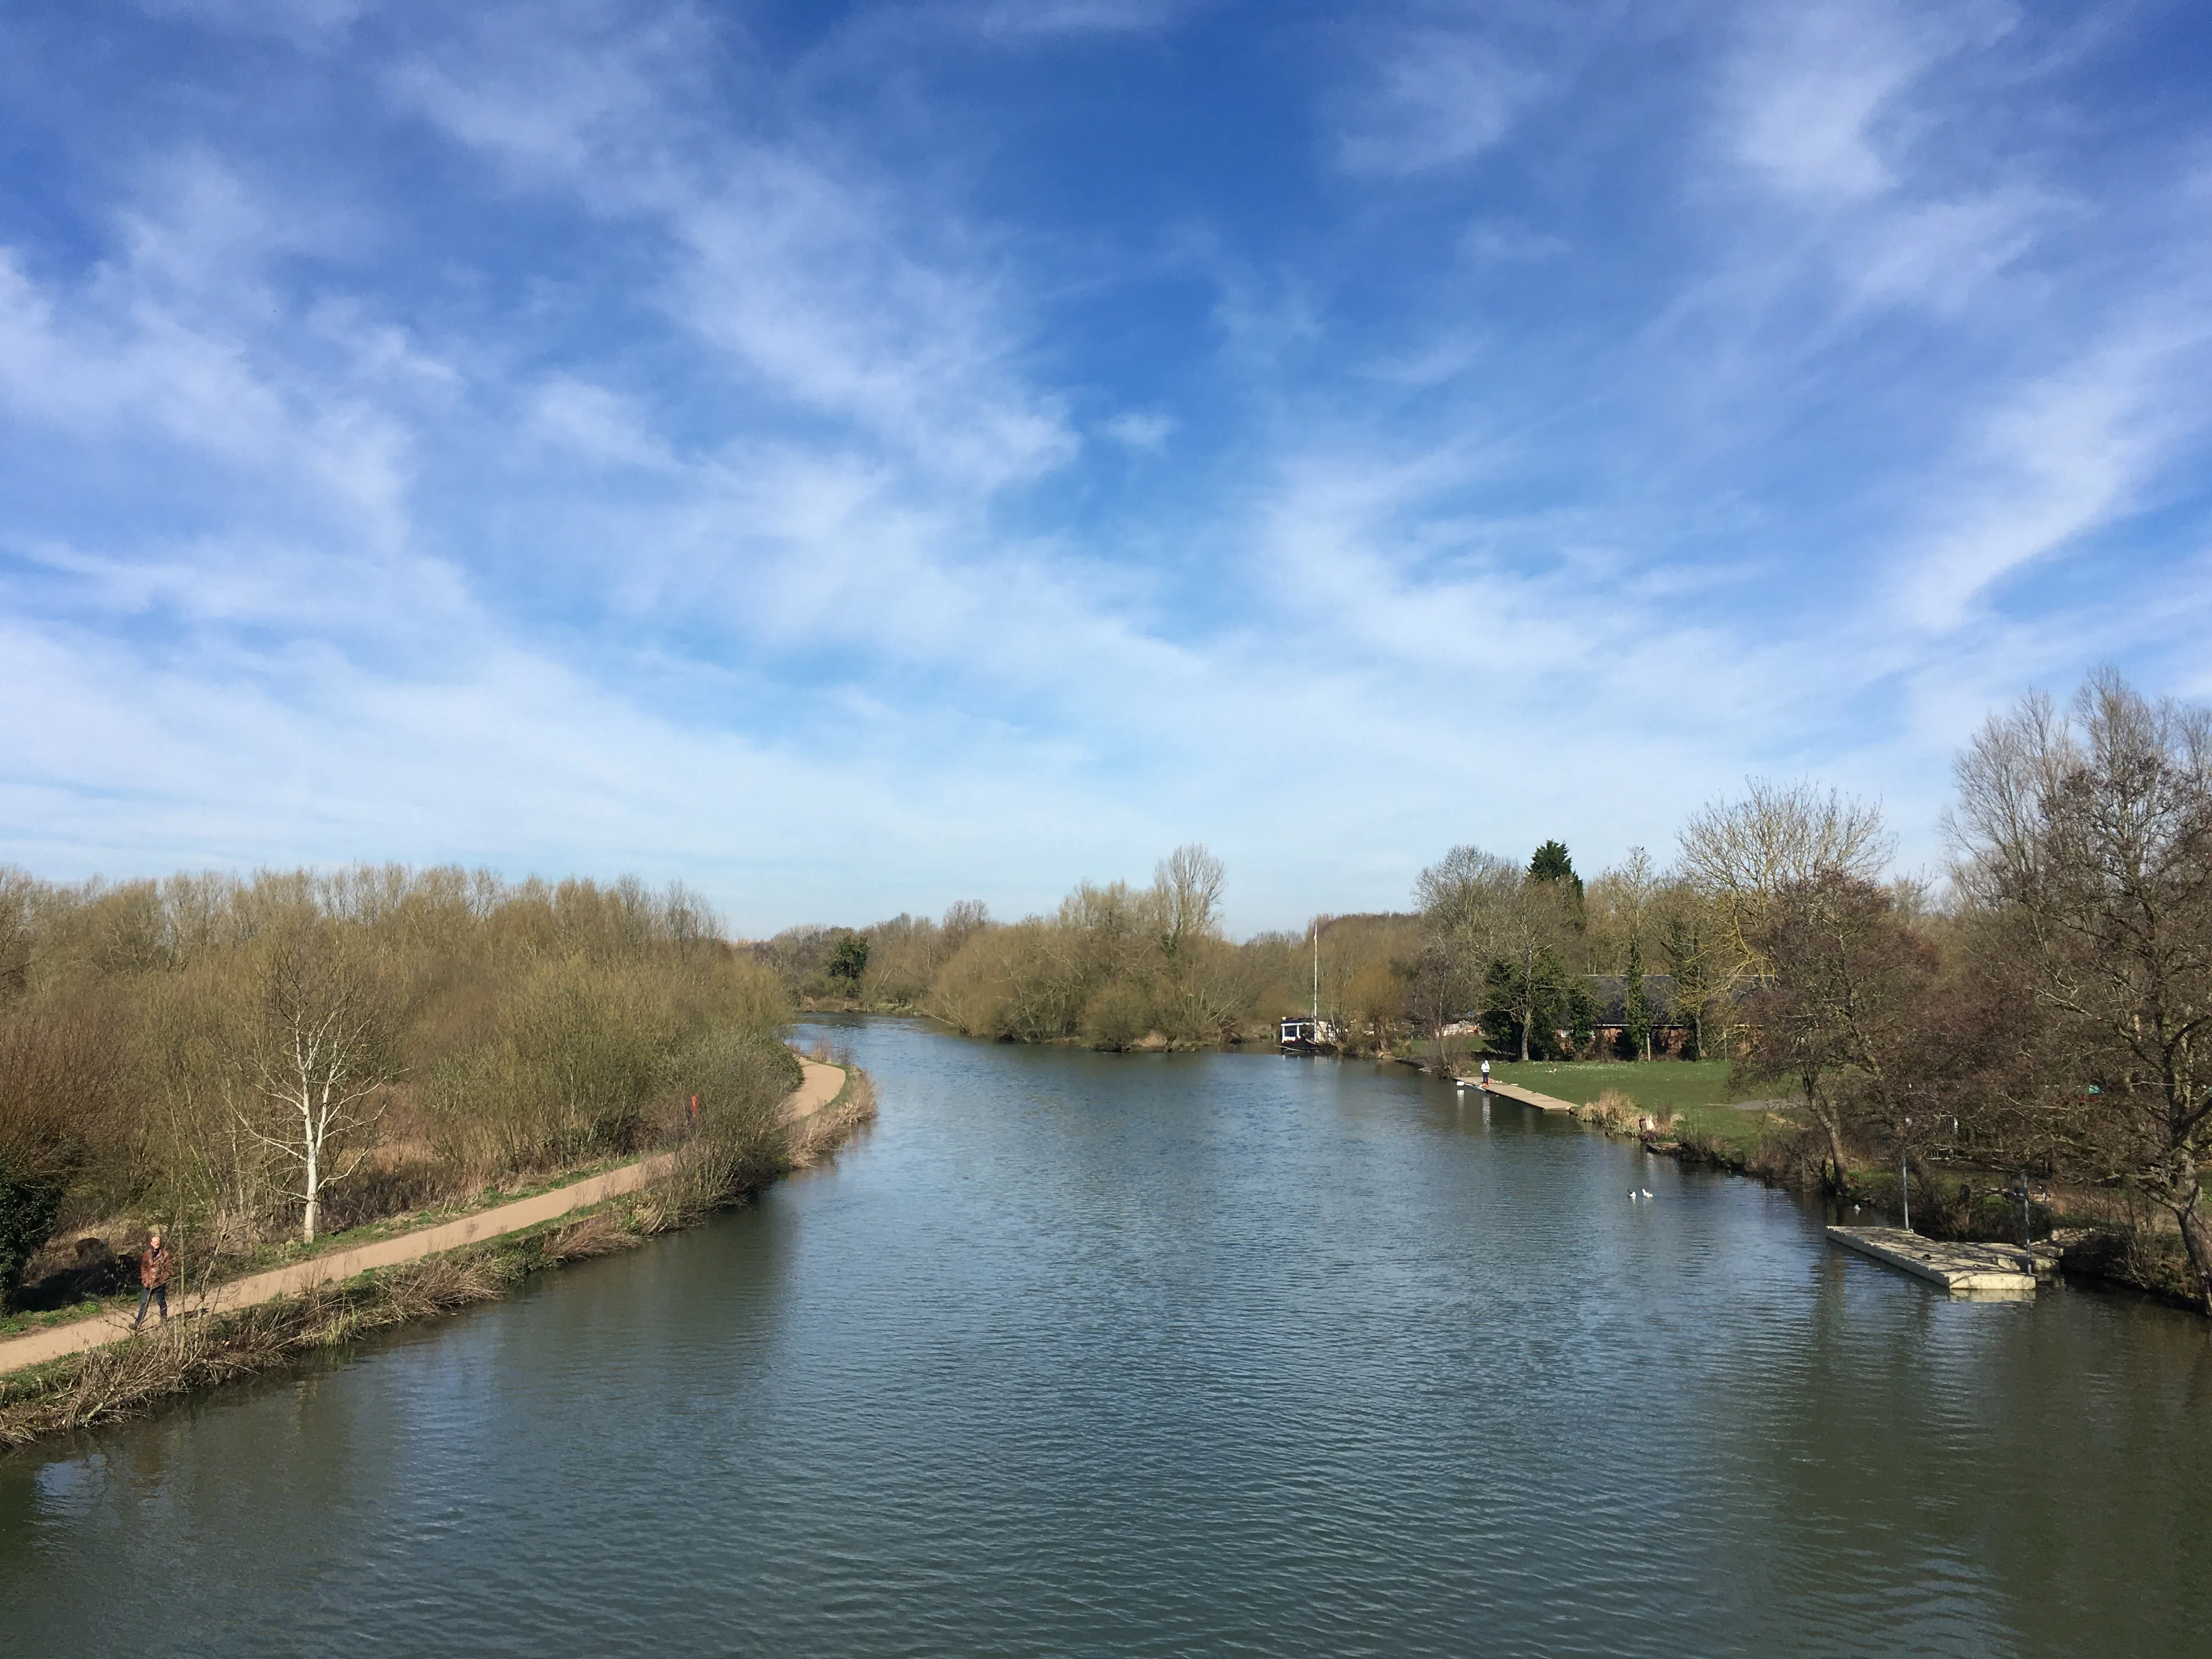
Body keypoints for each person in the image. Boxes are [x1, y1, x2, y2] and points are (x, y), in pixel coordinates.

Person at [134, 1231, 174, 1329]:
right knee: (144, 1303)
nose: (157, 1244)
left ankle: (164, 1320)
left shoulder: (165, 1254)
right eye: (155, 1242)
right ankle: (138, 1324)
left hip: (159, 1283)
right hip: (147, 1283)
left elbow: (169, 1270)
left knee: (161, 1302)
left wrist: (161, 1280)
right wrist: (145, 1278)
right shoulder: (147, 1254)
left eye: (158, 1242)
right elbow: (143, 1266)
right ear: (151, 1243)